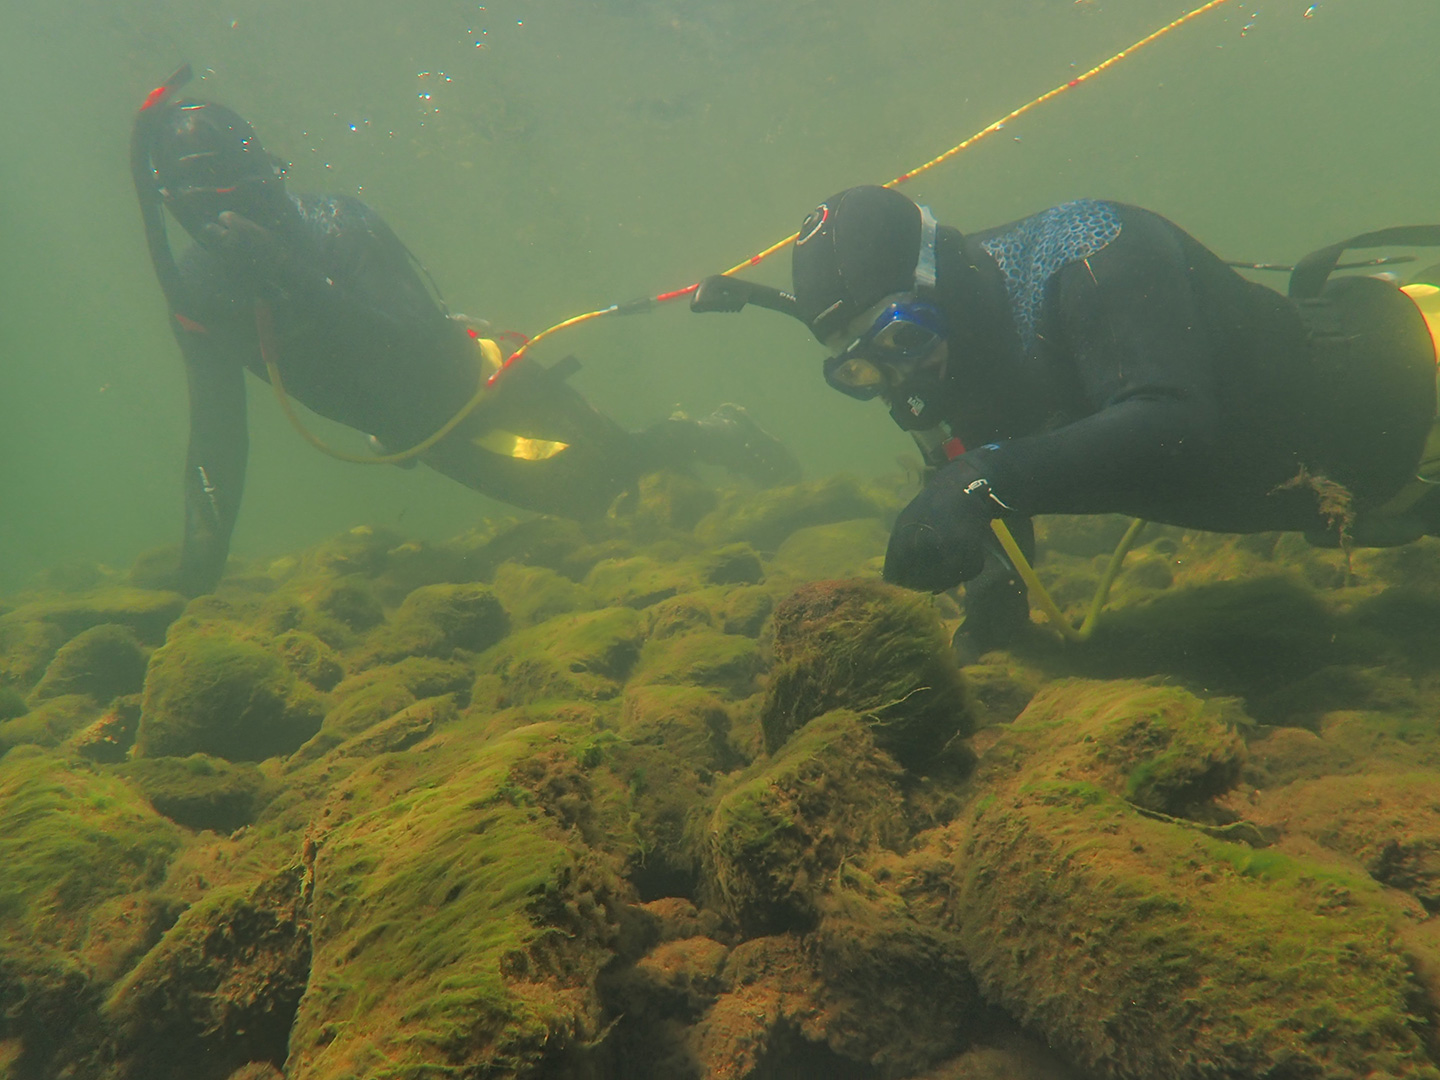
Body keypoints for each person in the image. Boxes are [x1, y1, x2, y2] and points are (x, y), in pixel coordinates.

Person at [130, 67, 798, 597]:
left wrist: (292, 275)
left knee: (605, 481)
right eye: (207, 203)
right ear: (176, 209)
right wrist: (198, 573)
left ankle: (708, 432)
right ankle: (688, 443)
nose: (233, 216)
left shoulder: (338, 225)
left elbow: (415, 346)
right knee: (593, 496)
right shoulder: (203, 295)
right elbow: (217, 439)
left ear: (269, 173)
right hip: (422, 435)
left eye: (244, 188)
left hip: (481, 383)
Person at [691, 185, 1440, 654]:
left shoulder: (1094, 254)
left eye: (902, 338)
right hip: (1369, 488)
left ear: (940, 278)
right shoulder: (950, 349)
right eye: (860, 369)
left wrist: (978, 482)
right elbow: (980, 469)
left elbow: (1171, 422)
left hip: (1406, 382)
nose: (901, 379)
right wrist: (991, 605)